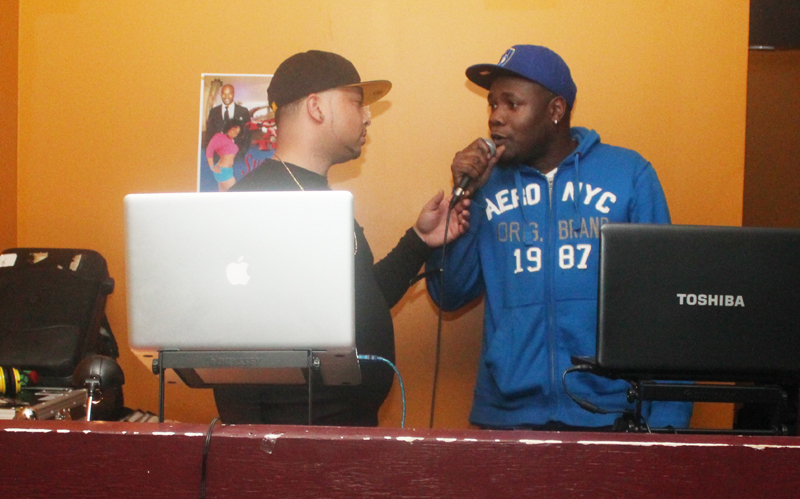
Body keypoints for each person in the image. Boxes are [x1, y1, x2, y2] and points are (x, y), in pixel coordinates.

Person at [426, 45, 693, 430]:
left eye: (512, 104)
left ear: (555, 110)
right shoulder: (487, 184)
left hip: (611, 414)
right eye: (492, 104)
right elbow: (449, 294)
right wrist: (466, 194)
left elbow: (667, 305)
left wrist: (669, 423)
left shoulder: (628, 175)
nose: (496, 117)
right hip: (508, 417)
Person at [212, 50, 470, 426]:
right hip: (295, 445)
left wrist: (418, 240)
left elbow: (360, 303)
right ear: (316, 107)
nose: (367, 116)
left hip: (340, 436)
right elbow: (230, 349)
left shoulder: (317, 195)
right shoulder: (255, 204)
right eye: (356, 102)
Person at [204, 84, 252, 161]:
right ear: (221, 94)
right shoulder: (213, 112)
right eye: (224, 94)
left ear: (234, 94)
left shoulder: (243, 111)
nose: (226, 97)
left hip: (237, 156)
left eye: (229, 94)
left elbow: (248, 134)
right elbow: (209, 134)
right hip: (218, 157)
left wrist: (241, 152)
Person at [205, 121, 241, 192]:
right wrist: (212, 166)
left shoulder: (231, 140)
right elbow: (209, 150)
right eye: (233, 130)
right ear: (228, 128)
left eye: (237, 132)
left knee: (223, 195)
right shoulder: (219, 136)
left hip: (228, 170)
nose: (235, 133)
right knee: (234, 193)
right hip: (223, 170)